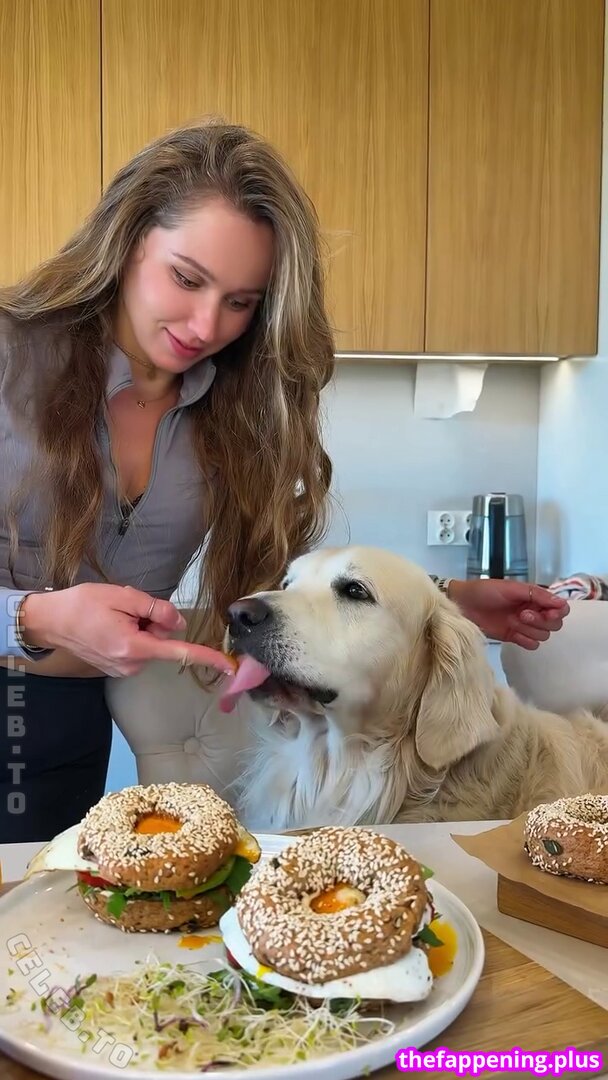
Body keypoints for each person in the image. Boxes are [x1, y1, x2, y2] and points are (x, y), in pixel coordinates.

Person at [0, 119, 568, 842]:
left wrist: (442, 603)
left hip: (61, 728)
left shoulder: (236, 406)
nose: (206, 324)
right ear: (128, 237)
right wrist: (32, 619)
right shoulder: (10, 353)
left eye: (241, 301)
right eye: (186, 278)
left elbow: (279, 577)